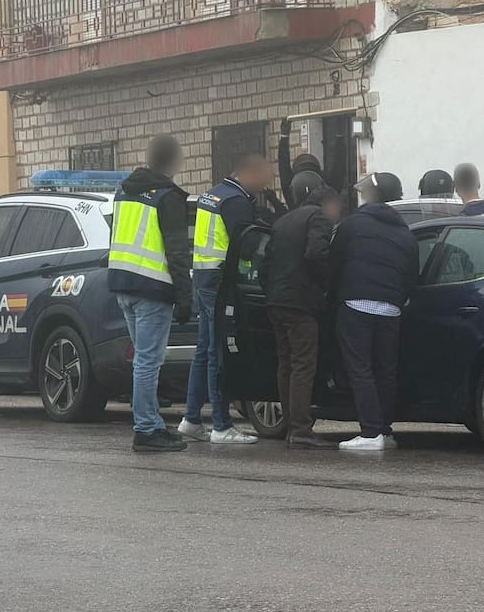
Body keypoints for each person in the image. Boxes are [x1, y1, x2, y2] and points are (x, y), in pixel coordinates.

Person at [178, 153, 272, 444]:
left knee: (204, 350)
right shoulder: (235, 201)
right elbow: (248, 245)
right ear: (248, 173)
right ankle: (221, 425)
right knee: (217, 353)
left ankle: (191, 419)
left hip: (203, 278)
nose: (266, 183)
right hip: (219, 281)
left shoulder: (214, 194)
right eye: (263, 177)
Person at [108, 135, 192, 453]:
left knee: (143, 360)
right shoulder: (167, 197)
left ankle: (152, 423)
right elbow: (177, 252)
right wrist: (185, 296)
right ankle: (146, 429)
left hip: (123, 284)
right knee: (148, 361)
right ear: (173, 161)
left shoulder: (124, 191)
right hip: (152, 288)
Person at [330, 172, 419, 450]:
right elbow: (411, 275)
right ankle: (384, 431)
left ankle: (370, 433)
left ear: (372, 197)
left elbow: (334, 263)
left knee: (361, 370)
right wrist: (397, 300)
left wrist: (333, 298)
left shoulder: (352, 225)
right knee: (386, 372)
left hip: (356, 305)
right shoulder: (405, 232)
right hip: (391, 310)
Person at [261, 187, 342, 449]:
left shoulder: (283, 221)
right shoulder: (318, 217)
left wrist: (271, 291)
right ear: (328, 203)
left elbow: (265, 262)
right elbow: (316, 254)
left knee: (286, 364)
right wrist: (325, 286)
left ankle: (291, 427)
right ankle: (301, 430)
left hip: (276, 301)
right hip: (300, 302)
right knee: (303, 365)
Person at [279, 116, 347, 209]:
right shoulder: (324, 193)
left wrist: (284, 137)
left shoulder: (293, 199)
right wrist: (340, 137)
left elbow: (283, 168)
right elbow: (338, 172)